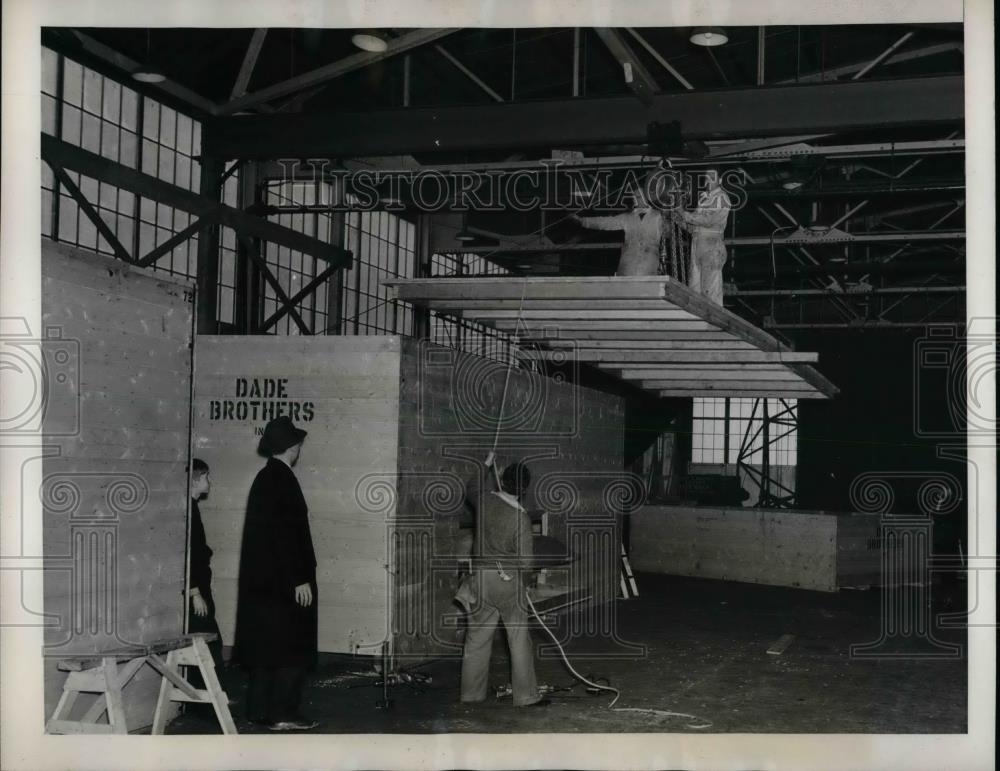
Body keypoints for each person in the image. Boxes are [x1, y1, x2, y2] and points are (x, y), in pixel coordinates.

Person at [233, 416, 318, 731]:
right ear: (293, 448)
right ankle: (284, 712)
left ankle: (258, 711)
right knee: (291, 647)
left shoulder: (264, 478)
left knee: (265, 648)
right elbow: (286, 534)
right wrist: (299, 577)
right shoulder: (282, 479)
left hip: (265, 585)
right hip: (286, 583)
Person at [455, 452, 548, 708]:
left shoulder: (484, 500)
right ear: (525, 489)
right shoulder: (520, 517)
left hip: (478, 581)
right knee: (518, 639)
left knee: (476, 639)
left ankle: (471, 695)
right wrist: (523, 584)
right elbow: (526, 563)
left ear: (502, 481)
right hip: (506, 581)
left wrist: (485, 463)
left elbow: (472, 486)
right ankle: (526, 696)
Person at [571, 189, 667, 276]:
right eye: (633, 196)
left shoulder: (658, 216)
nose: (634, 199)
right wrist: (583, 221)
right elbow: (606, 222)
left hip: (649, 266)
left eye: (638, 196)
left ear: (646, 198)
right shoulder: (627, 217)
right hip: (627, 267)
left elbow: (669, 231)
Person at [673, 172, 732, 304]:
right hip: (697, 244)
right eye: (706, 179)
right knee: (694, 290)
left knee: (710, 290)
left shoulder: (722, 197)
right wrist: (678, 219)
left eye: (712, 178)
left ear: (720, 180)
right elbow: (692, 227)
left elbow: (709, 220)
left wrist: (683, 213)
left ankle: (713, 322)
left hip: (712, 246)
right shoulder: (703, 199)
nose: (708, 181)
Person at [187, 458, 223, 675]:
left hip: (201, 584)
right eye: (206, 476)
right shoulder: (188, 510)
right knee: (209, 644)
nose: (209, 481)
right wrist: (194, 593)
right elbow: (189, 554)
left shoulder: (193, 507)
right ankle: (209, 703)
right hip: (196, 589)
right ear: (195, 480)